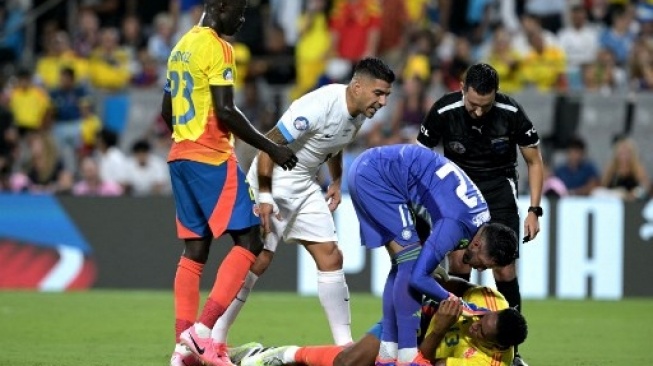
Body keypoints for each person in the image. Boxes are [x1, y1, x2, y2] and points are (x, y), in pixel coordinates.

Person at [209, 57, 395, 349]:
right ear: (357, 86)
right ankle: (213, 338)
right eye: (379, 93)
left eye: (386, 95)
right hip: (274, 181)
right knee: (258, 260)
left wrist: (335, 179)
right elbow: (269, 147)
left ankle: (344, 346)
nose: (383, 102)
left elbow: (335, 144)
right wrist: (266, 197)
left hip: (306, 183)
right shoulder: (317, 106)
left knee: (331, 256)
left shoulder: (359, 111)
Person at [160, 1, 298, 365]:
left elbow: (166, 109)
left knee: (195, 251)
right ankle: (202, 333)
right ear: (220, 6)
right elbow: (225, 110)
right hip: (211, 157)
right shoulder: (219, 48)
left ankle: (181, 351)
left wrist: (186, 137)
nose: (242, 19)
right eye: (238, 10)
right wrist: (272, 148)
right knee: (251, 239)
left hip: (180, 155)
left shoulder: (181, 47)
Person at [417, 63, 543, 366]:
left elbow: (534, 161)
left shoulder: (511, 113)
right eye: (472, 104)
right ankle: (436, 340)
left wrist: (534, 210)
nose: (477, 112)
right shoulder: (443, 111)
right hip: (459, 194)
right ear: (462, 88)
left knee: (505, 270)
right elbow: (419, 156)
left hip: (499, 191)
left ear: (495, 95)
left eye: (485, 106)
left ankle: (511, 349)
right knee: (459, 265)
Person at [347, 144, 518, 366]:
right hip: (376, 175)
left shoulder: (479, 216)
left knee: (404, 263)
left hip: (377, 169)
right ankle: (407, 354)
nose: (479, 269)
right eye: (484, 264)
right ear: (477, 244)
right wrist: (454, 301)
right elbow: (418, 277)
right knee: (409, 264)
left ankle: (387, 352)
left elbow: (431, 207)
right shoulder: (455, 224)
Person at [236, 274, 528, 366]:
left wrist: (439, 329)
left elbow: (424, 363)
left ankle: (266, 355)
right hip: (413, 317)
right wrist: (434, 282)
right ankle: (280, 355)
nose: (475, 324)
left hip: (422, 348)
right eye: (483, 319)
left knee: (349, 361)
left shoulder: (486, 363)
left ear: (497, 345)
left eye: (480, 331)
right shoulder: (492, 301)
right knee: (347, 363)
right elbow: (457, 285)